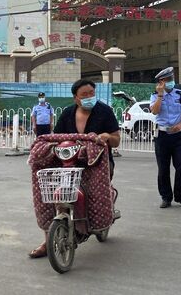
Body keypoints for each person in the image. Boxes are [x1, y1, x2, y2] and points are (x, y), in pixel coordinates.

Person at [29, 79, 121, 259]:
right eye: (84, 95)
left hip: (98, 163)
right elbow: (55, 138)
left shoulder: (104, 112)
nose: (89, 97)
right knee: (53, 194)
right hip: (69, 162)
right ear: (75, 98)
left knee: (93, 194)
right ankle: (48, 239)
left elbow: (116, 140)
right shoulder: (68, 114)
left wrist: (107, 136)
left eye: (91, 94)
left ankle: (97, 219)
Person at [150, 66, 181, 209]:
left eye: (172, 79)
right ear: (161, 82)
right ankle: (166, 197)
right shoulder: (155, 95)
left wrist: (180, 124)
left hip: (177, 136)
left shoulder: (179, 94)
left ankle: (180, 196)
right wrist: (160, 95)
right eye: (168, 80)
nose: (171, 81)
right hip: (162, 136)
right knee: (163, 169)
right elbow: (155, 111)